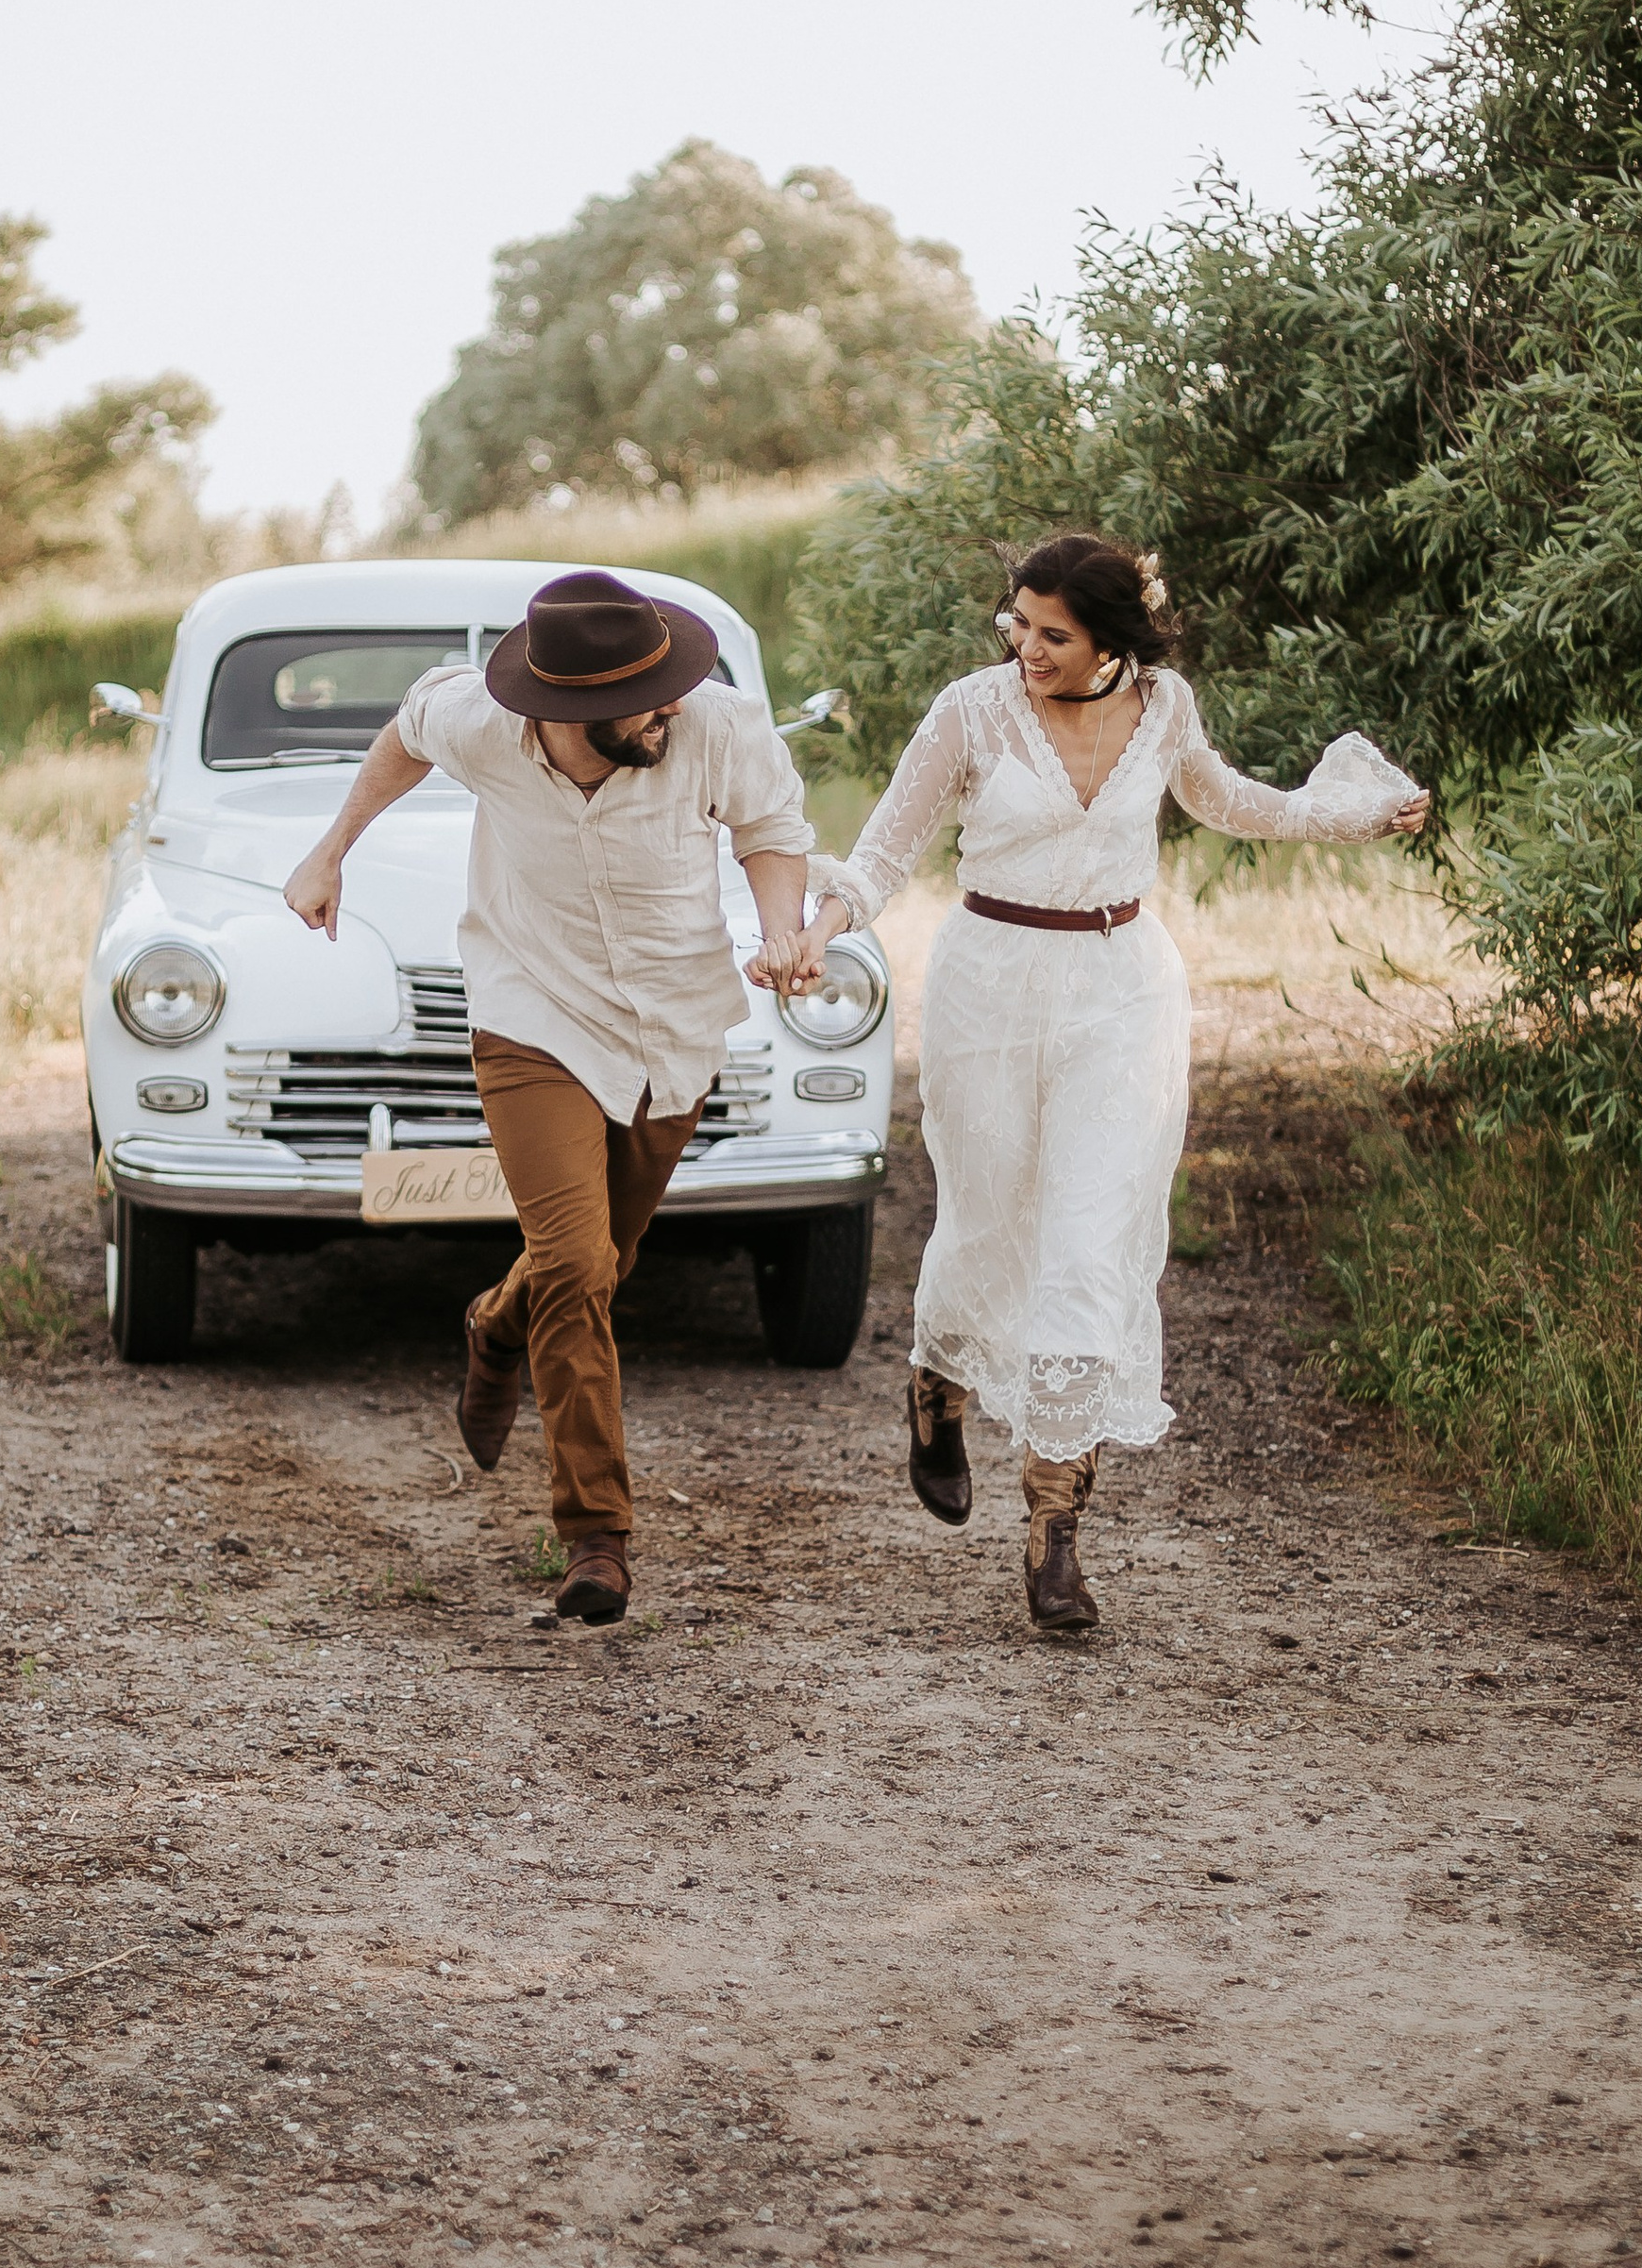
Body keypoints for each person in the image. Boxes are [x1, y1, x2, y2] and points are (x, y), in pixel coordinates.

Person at [810, 531, 1429, 1634]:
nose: (1025, 647)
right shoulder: (970, 710)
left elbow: (1230, 802)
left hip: (1121, 989)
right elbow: (881, 852)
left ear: (1111, 642)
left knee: (1090, 1246)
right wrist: (824, 921)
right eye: (1018, 624)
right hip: (989, 986)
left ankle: (1055, 1534)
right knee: (989, 1221)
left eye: (1052, 634)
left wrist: (1351, 812)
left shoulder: (1167, 707)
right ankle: (936, 1386)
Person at [282, 568, 842, 1625]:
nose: (667, 706)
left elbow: (771, 830)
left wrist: (777, 929)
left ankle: (494, 1328)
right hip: (530, 1013)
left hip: (671, 1025)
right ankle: (596, 1536)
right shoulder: (482, 723)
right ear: (564, 712)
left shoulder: (713, 725)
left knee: (597, 1260)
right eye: (640, 700)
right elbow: (405, 734)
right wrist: (330, 850)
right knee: (580, 1264)